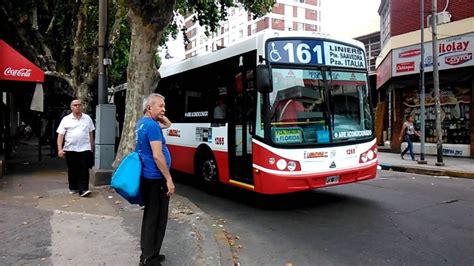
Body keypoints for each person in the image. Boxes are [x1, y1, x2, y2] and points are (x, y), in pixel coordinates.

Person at [137, 93, 175, 265]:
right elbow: (158, 156)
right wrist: (169, 179)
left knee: (150, 216)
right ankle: (150, 258)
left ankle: (148, 252)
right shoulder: (152, 126)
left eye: (164, 106)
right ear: (149, 108)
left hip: (149, 177)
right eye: (160, 106)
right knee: (157, 219)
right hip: (156, 178)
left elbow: (168, 124)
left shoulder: (143, 123)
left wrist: (159, 113)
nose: (164, 109)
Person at [56, 99, 95, 197]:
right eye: (75, 105)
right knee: (73, 169)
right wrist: (60, 149)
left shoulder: (87, 119)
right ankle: (73, 187)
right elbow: (60, 135)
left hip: (85, 148)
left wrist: (91, 147)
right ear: (71, 107)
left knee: (84, 169)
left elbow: (90, 133)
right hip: (70, 148)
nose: (77, 106)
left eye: (79, 105)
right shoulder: (66, 119)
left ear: (82, 107)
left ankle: (83, 189)